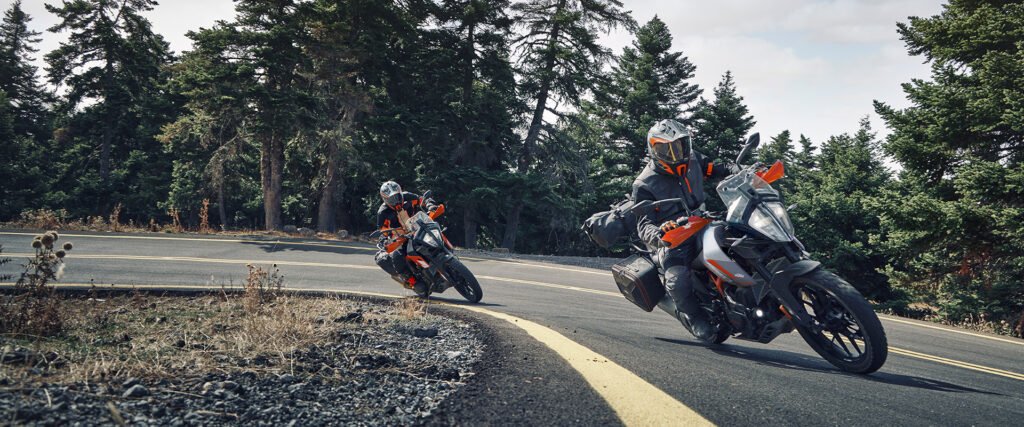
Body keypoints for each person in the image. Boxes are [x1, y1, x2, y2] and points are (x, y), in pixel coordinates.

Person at [632, 119, 736, 340]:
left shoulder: (693, 160)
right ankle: (694, 317)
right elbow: (643, 224)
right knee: (677, 278)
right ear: (653, 149)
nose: (675, 153)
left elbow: (717, 169)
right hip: (672, 238)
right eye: (666, 148)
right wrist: (660, 233)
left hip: (702, 221)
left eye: (680, 145)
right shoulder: (644, 184)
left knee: (740, 241)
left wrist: (736, 170)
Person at [374, 181, 438, 291]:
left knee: (436, 232)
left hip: (419, 228)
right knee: (396, 256)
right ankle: (412, 280)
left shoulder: (408, 196)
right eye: (391, 199)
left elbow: (423, 199)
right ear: (385, 199)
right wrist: (386, 236)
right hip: (401, 238)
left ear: (400, 192)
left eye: (397, 196)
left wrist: (430, 204)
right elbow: (382, 230)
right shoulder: (383, 212)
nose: (396, 201)